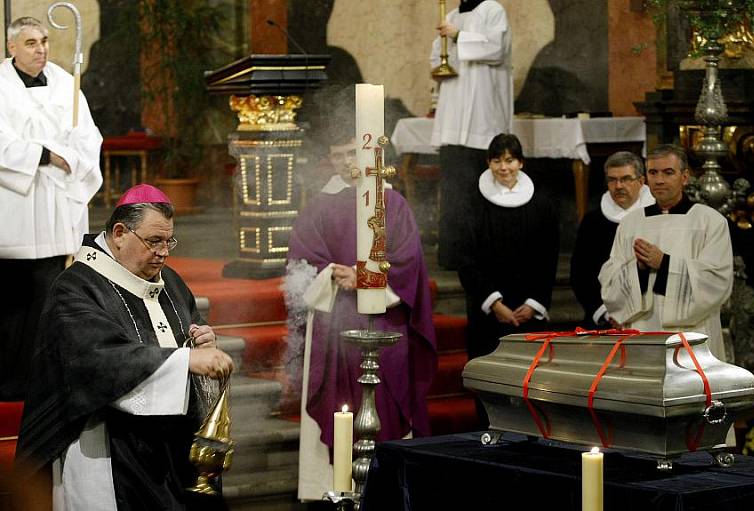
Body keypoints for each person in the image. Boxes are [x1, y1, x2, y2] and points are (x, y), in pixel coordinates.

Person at [15, 184, 234, 510]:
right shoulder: (76, 287)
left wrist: (201, 340)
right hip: (105, 446)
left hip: (167, 448)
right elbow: (94, 359)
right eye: (154, 241)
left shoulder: (169, 280)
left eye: (168, 241)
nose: (164, 252)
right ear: (119, 233)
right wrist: (185, 360)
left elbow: (189, 332)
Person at [285, 139, 437, 501]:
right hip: (332, 324)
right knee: (338, 406)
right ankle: (334, 489)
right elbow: (301, 259)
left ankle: (385, 489)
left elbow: (408, 261)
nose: (344, 161)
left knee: (385, 399)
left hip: (384, 323)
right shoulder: (320, 205)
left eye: (351, 153)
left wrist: (365, 277)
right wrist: (333, 276)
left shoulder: (393, 203)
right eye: (337, 153)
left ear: (369, 155)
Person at [0, 17, 103, 400]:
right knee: (11, 303)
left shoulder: (65, 82)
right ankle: (6, 379)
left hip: (56, 205)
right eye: (30, 43)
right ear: (12, 47)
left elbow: (88, 136)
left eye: (44, 41)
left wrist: (72, 158)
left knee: (46, 298)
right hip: (15, 207)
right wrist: (44, 154)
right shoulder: (0, 86)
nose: (41, 49)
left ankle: (36, 377)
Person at [458, 133, 559, 426]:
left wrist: (534, 302)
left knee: (531, 381)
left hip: (528, 311)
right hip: (488, 313)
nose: (504, 167)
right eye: (497, 160)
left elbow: (548, 257)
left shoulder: (541, 203)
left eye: (510, 160)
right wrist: (494, 303)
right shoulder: (472, 203)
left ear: (521, 162)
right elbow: (465, 258)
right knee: (489, 381)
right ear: (488, 162)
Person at [599, 144, 734, 360]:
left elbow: (717, 281)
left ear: (685, 177)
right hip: (643, 331)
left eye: (668, 172)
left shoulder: (710, 222)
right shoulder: (630, 224)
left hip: (694, 334)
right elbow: (610, 281)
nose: (659, 180)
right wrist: (639, 268)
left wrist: (665, 263)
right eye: (653, 172)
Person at [430, 0, 512, 269]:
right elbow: (437, 59)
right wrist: (442, 57)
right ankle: (453, 255)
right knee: (454, 191)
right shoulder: (451, 15)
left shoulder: (492, 10)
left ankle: (483, 255)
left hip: (482, 116)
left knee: (481, 190)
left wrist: (458, 36)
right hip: (453, 115)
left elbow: (496, 49)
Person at [570, 151, 654, 327]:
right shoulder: (593, 221)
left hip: (652, 315)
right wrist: (605, 313)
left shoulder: (658, 216)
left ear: (641, 181)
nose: (618, 186)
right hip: (606, 320)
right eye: (612, 180)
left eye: (625, 179)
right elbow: (581, 274)